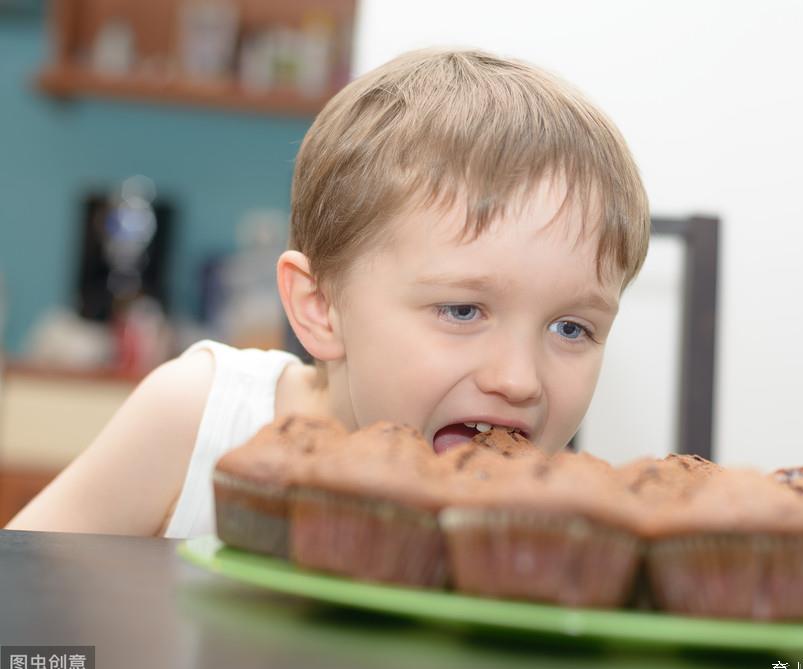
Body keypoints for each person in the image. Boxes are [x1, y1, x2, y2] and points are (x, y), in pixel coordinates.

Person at [6, 47, 650, 538]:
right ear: (320, 306)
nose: (520, 381)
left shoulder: (547, 526)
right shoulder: (205, 419)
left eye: (571, 328)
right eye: (462, 309)